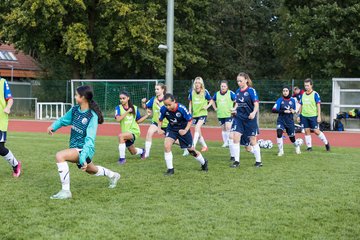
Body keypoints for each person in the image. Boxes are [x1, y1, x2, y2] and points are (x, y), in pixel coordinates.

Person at [47, 86, 120, 200]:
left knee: (60, 155)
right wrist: (53, 127)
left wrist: (83, 156)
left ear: (83, 98)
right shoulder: (75, 110)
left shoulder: (92, 116)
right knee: (92, 170)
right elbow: (63, 120)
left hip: (85, 149)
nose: (75, 96)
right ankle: (113, 175)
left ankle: (66, 191)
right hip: (75, 147)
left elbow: (90, 139)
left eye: (76, 95)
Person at [158, 93, 208, 175]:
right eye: (165, 105)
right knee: (167, 145)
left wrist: (185, 130)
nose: (168, 107)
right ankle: (170, 170)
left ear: (174, 101)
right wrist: (159, 129)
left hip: (183, 130)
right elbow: (160, 119)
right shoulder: (163, 109)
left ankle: (203, 162)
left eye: (169, 105)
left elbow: (190, 120)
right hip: (172, 129)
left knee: (191, 150)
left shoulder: (182, 109)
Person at [230, 72, 262, 168]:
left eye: (240, 81)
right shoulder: (237, 91)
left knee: (252, 140)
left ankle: (258, 161)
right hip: (239, 118)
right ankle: (236, 161)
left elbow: (256, 104)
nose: (239, 83)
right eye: (238, 81)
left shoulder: (251, 91)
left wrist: (253, 113)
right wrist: (234, 109)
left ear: (246, 80)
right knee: (235, 137)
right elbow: (237, 104)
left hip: (249, 119)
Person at [116, 91, 149, 164]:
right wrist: (127, 111)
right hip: (126, 132)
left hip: (134, 131)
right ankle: (142, 151)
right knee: (133, 151)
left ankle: (122, 159)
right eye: (120, 98)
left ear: (128, 98)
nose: (121, 100)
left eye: (123, 98)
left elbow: (138, 121)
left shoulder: (135, 108)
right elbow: (118, 119)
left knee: (121, 136)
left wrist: (147, 115)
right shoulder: (118, 108)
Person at [297, 78, 330, 151]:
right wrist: (299, 115)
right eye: (305, 86)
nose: (306, 87)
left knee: (316, 131)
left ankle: (326, 143)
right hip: (304, 116)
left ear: (311, 85)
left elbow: (318, 105)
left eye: (308, 86)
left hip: (313, 116)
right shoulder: (303, 95)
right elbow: (301, 105)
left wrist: (319, 116)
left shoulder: (315, 94)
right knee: (306, 130)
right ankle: (309, 147)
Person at [183, 77, 212, 156]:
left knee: (196, 128)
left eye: (199, 83)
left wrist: (207, 107)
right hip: (195, 114)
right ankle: (205, 146)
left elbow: (211, 100)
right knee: (198, 132)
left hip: (203, 114)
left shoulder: (205, 92)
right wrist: (189, 111)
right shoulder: (192, 92)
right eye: (196, 83)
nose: (197, 84)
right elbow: (190, 102)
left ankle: (192, 147)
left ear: (201, 84)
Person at [0, 77, 21, 177]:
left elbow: (10, 99)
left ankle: (16, 165)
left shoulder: (2, 82)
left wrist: (8, 108)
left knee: (0, 148)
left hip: (0, 120)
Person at [141, 83, 168, 158]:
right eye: (155, 89)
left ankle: (186, 147)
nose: (156, 91)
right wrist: (143, 102)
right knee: (149, 133)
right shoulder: (153, 99)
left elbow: (167, 110)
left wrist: (159, 105)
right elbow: (145, 106)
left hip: (166, 124)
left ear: (163, 90)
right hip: (156, 122)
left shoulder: (167, 99)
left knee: (175, 141)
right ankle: (146, 154)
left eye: (158, 89)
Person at [272, 86, 301, 156]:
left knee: (292, 139)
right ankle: (281, 151)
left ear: (289, 92)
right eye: (284, 91)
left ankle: (297, 146)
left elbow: (295, 109)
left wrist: (294, 111)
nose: (285, 92)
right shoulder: (280, 100)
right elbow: (273, 110)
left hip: (289, 121)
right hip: (281, 120)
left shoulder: (293, 100)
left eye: (286, 91)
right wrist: (284, 111)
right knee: (279, 133)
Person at [211, 80, 236, 147]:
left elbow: (237, 101)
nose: (223, 87)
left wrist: (234, 108)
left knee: (228, 127)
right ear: (220, 87)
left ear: (227, 87)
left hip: (228, 114)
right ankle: (225, 142)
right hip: (220, 114)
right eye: (222, 86)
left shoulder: (231, 93)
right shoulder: (217, 94)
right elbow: (212, 100)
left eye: (224, 86)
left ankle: (229, 141)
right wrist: (215, 108)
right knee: (223, 128)